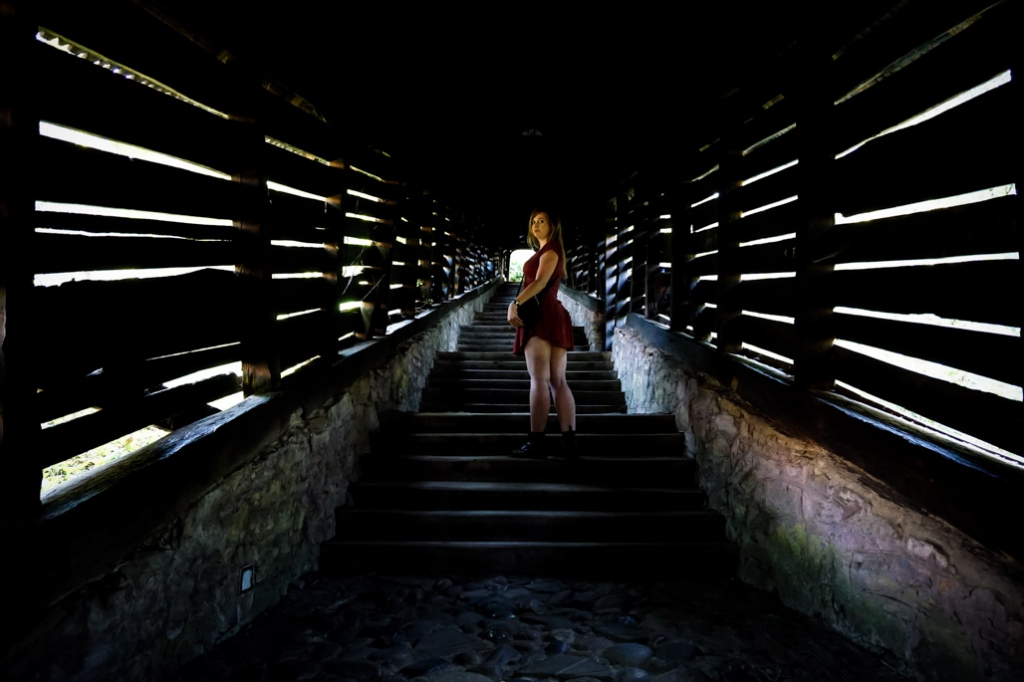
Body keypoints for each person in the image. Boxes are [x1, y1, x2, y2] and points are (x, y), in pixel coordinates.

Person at [507, 209, 577, 460]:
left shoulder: (550, 250)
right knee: (557, 381)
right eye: (533, 222)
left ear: (553, 225)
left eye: (541, 221)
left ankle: (537, 442)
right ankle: (569, 444)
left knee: (540, 380)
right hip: (553, 314)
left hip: (542, 315)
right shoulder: (551, 249)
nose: (535, 225)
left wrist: (514, 302)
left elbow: (539, 282)